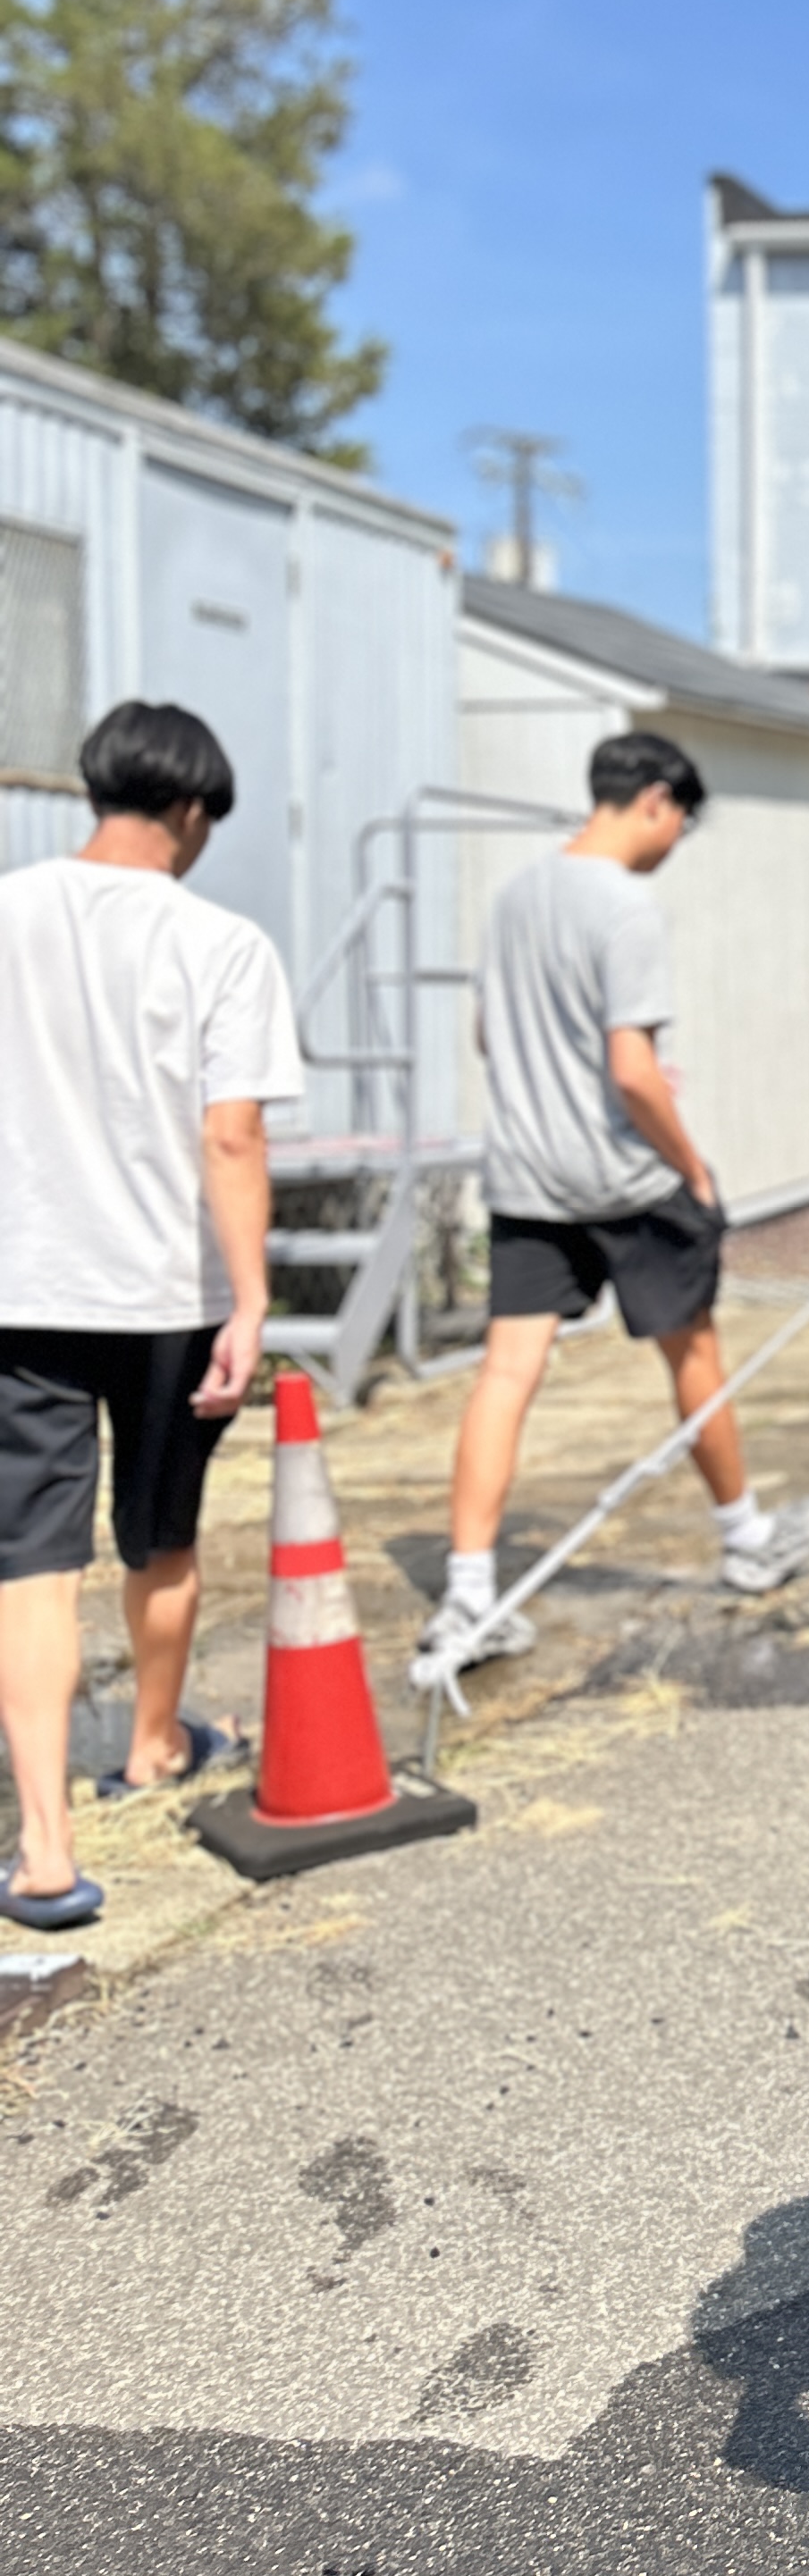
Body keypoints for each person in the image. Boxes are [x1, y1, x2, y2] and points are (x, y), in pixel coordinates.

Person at [417, 731, 809, 1671]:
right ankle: (745, 1540)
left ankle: (469, 1593)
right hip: (625, 1178)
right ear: (654, 800)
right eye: (680, 821)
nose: (675, 840)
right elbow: (632, 1068)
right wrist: (690, 1165)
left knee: (505, 1375)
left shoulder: (515, 896)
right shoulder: (627, 908)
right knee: (693, 1355)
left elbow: (490, 1036)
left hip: (527, 1175)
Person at [0, 701, 300, 1929]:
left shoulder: (7, 912)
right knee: (161, 1540)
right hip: (169, 1293)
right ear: (189, 810)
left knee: (31, 1563)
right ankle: (152, 1747)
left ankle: (45, 1852)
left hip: (23, 1287)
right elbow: (232, 1135)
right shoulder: (221, 944)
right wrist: (253, 1297)